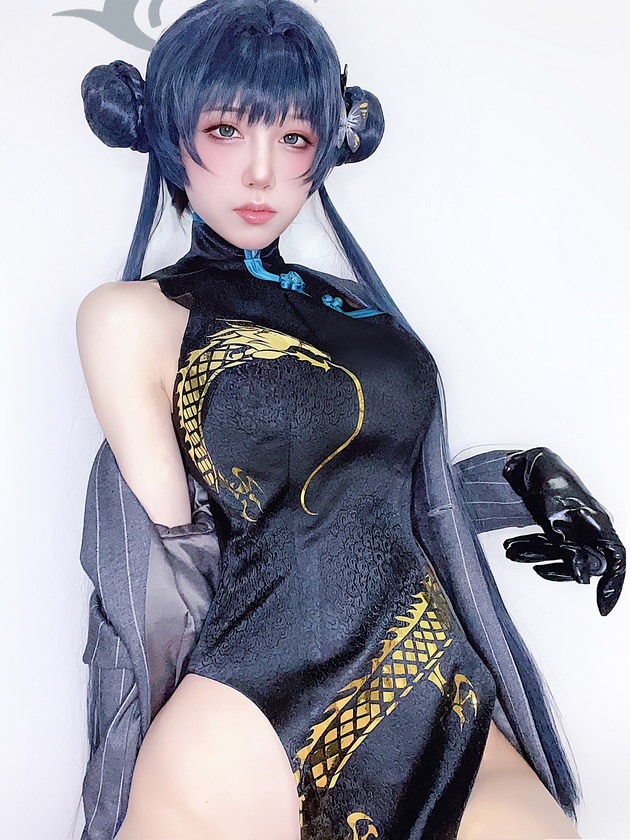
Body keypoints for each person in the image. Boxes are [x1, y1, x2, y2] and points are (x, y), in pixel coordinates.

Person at [75, 1, 624, 838]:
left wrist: (520, 478)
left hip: (437, 696)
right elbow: (183, 556)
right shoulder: (132, 317)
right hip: (250, 717)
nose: (261, 172)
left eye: (295, 137)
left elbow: (382, 497)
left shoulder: (362, 310)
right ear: (165, 132)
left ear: (331, 145)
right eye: (225, 130)